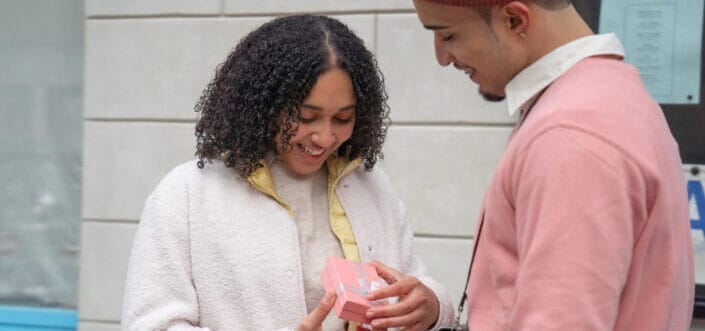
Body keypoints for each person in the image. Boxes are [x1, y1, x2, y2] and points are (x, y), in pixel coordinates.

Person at [121, 14, 454, 331]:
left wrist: (432, 307)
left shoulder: (372, 186)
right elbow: (150, 325)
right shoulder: (185, 196)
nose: (324, 137)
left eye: (342, 119)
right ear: (263, 106)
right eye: (306, 117)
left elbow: (411, 281)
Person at [409, 0, 695, 330]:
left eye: (447, 36)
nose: (441, 59)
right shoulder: (613, 98)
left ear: (515, 20)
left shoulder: (571, 134)